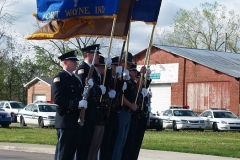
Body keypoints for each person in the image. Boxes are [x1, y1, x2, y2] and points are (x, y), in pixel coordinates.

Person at [53, 50, 88, 160]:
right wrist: (76, 104)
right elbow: (58, 99)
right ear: (65, 62)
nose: (76, 63)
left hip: (74, 120)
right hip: (65, 120)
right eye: (73, 61)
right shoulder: (60, 78)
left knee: (71, 152)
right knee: (62, 152)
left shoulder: (76, 79)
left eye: (75, 61)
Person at [75, 44, 107, 160]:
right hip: (86, 109)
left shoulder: (94, 70)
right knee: (83, 142)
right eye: (96, 54)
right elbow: (85, 88)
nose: (98, 56)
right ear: (88, 54)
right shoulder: (83, 69)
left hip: (93, 109)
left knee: (89, 142)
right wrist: (98, 90)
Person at [87, 55, 116, 160]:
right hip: (94, 114)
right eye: (103, 67)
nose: (104, 69)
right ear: (98, 67)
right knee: (91, 146)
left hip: (101, 116)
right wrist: (106, 94)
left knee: (96, 146)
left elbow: (107, 83)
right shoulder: (93, 74)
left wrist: (108, 69)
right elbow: (96, 92)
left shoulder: (100, 76)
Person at [111, 52, 138, 160]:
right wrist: (131, 105)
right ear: (122, 63)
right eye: (128, 64)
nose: (129, 67)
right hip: (121, 110)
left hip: (127, 112)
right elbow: (120, 96)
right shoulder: (119, 76)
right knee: (117, 142)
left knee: (122, 142)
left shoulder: (127, 78)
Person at [121, 64, 148, 160]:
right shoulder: (126, 80)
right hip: (126, 112)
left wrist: (142, 75)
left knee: (131, 144)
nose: (135, 73)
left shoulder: (131, 82)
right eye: (134, 71)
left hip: (133, 115)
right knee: (123, 143)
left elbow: (137, 89)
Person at [100, 56, 122, 160]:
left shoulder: (116, 78)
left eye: (118, 66)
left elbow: (119, 91)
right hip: (107, 112)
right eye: (115, 65)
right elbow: (107, 84)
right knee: (104, 143)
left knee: (112, 142)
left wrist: (121, 78)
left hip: (114, 112)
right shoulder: (106, 77)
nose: (117, 67)